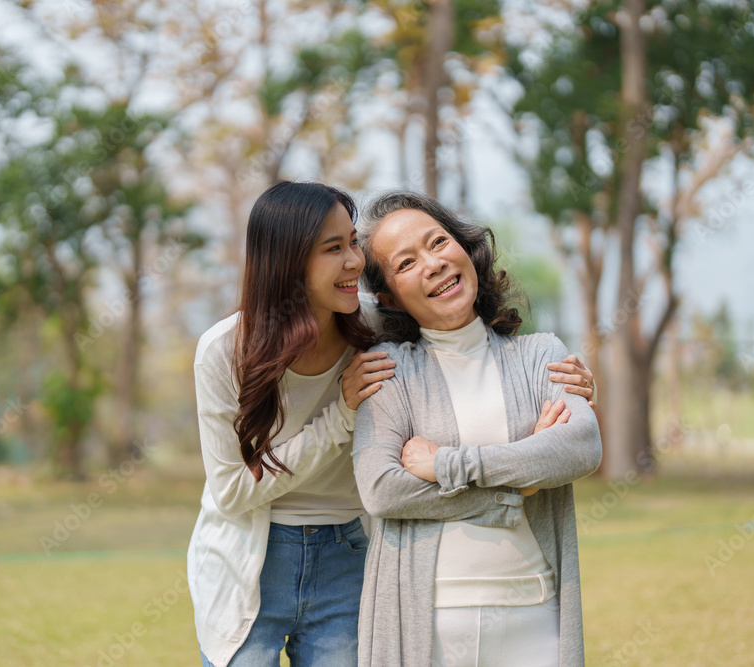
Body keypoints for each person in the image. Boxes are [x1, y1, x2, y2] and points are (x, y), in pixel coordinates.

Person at [187, 181, 597, 666]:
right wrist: (342, 416)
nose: (355, 262)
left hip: (347, 549)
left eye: (354, 244)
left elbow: (454, 324)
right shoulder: (226, 351)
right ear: (290, 265)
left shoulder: (371, 326)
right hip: (250, 557)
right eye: (333, 248)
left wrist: (566, 383)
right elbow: (241, 490)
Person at [351, 190, 603, 667]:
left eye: (439, 242)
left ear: (466, 250)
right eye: (406, 264)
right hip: (426, 626)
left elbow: (581, 447)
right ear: (389, 298)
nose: (433, 264)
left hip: (535, 614)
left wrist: (445, 463)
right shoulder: (386, 371)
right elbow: (383, 490)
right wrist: (521, 482)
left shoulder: (540, 353)